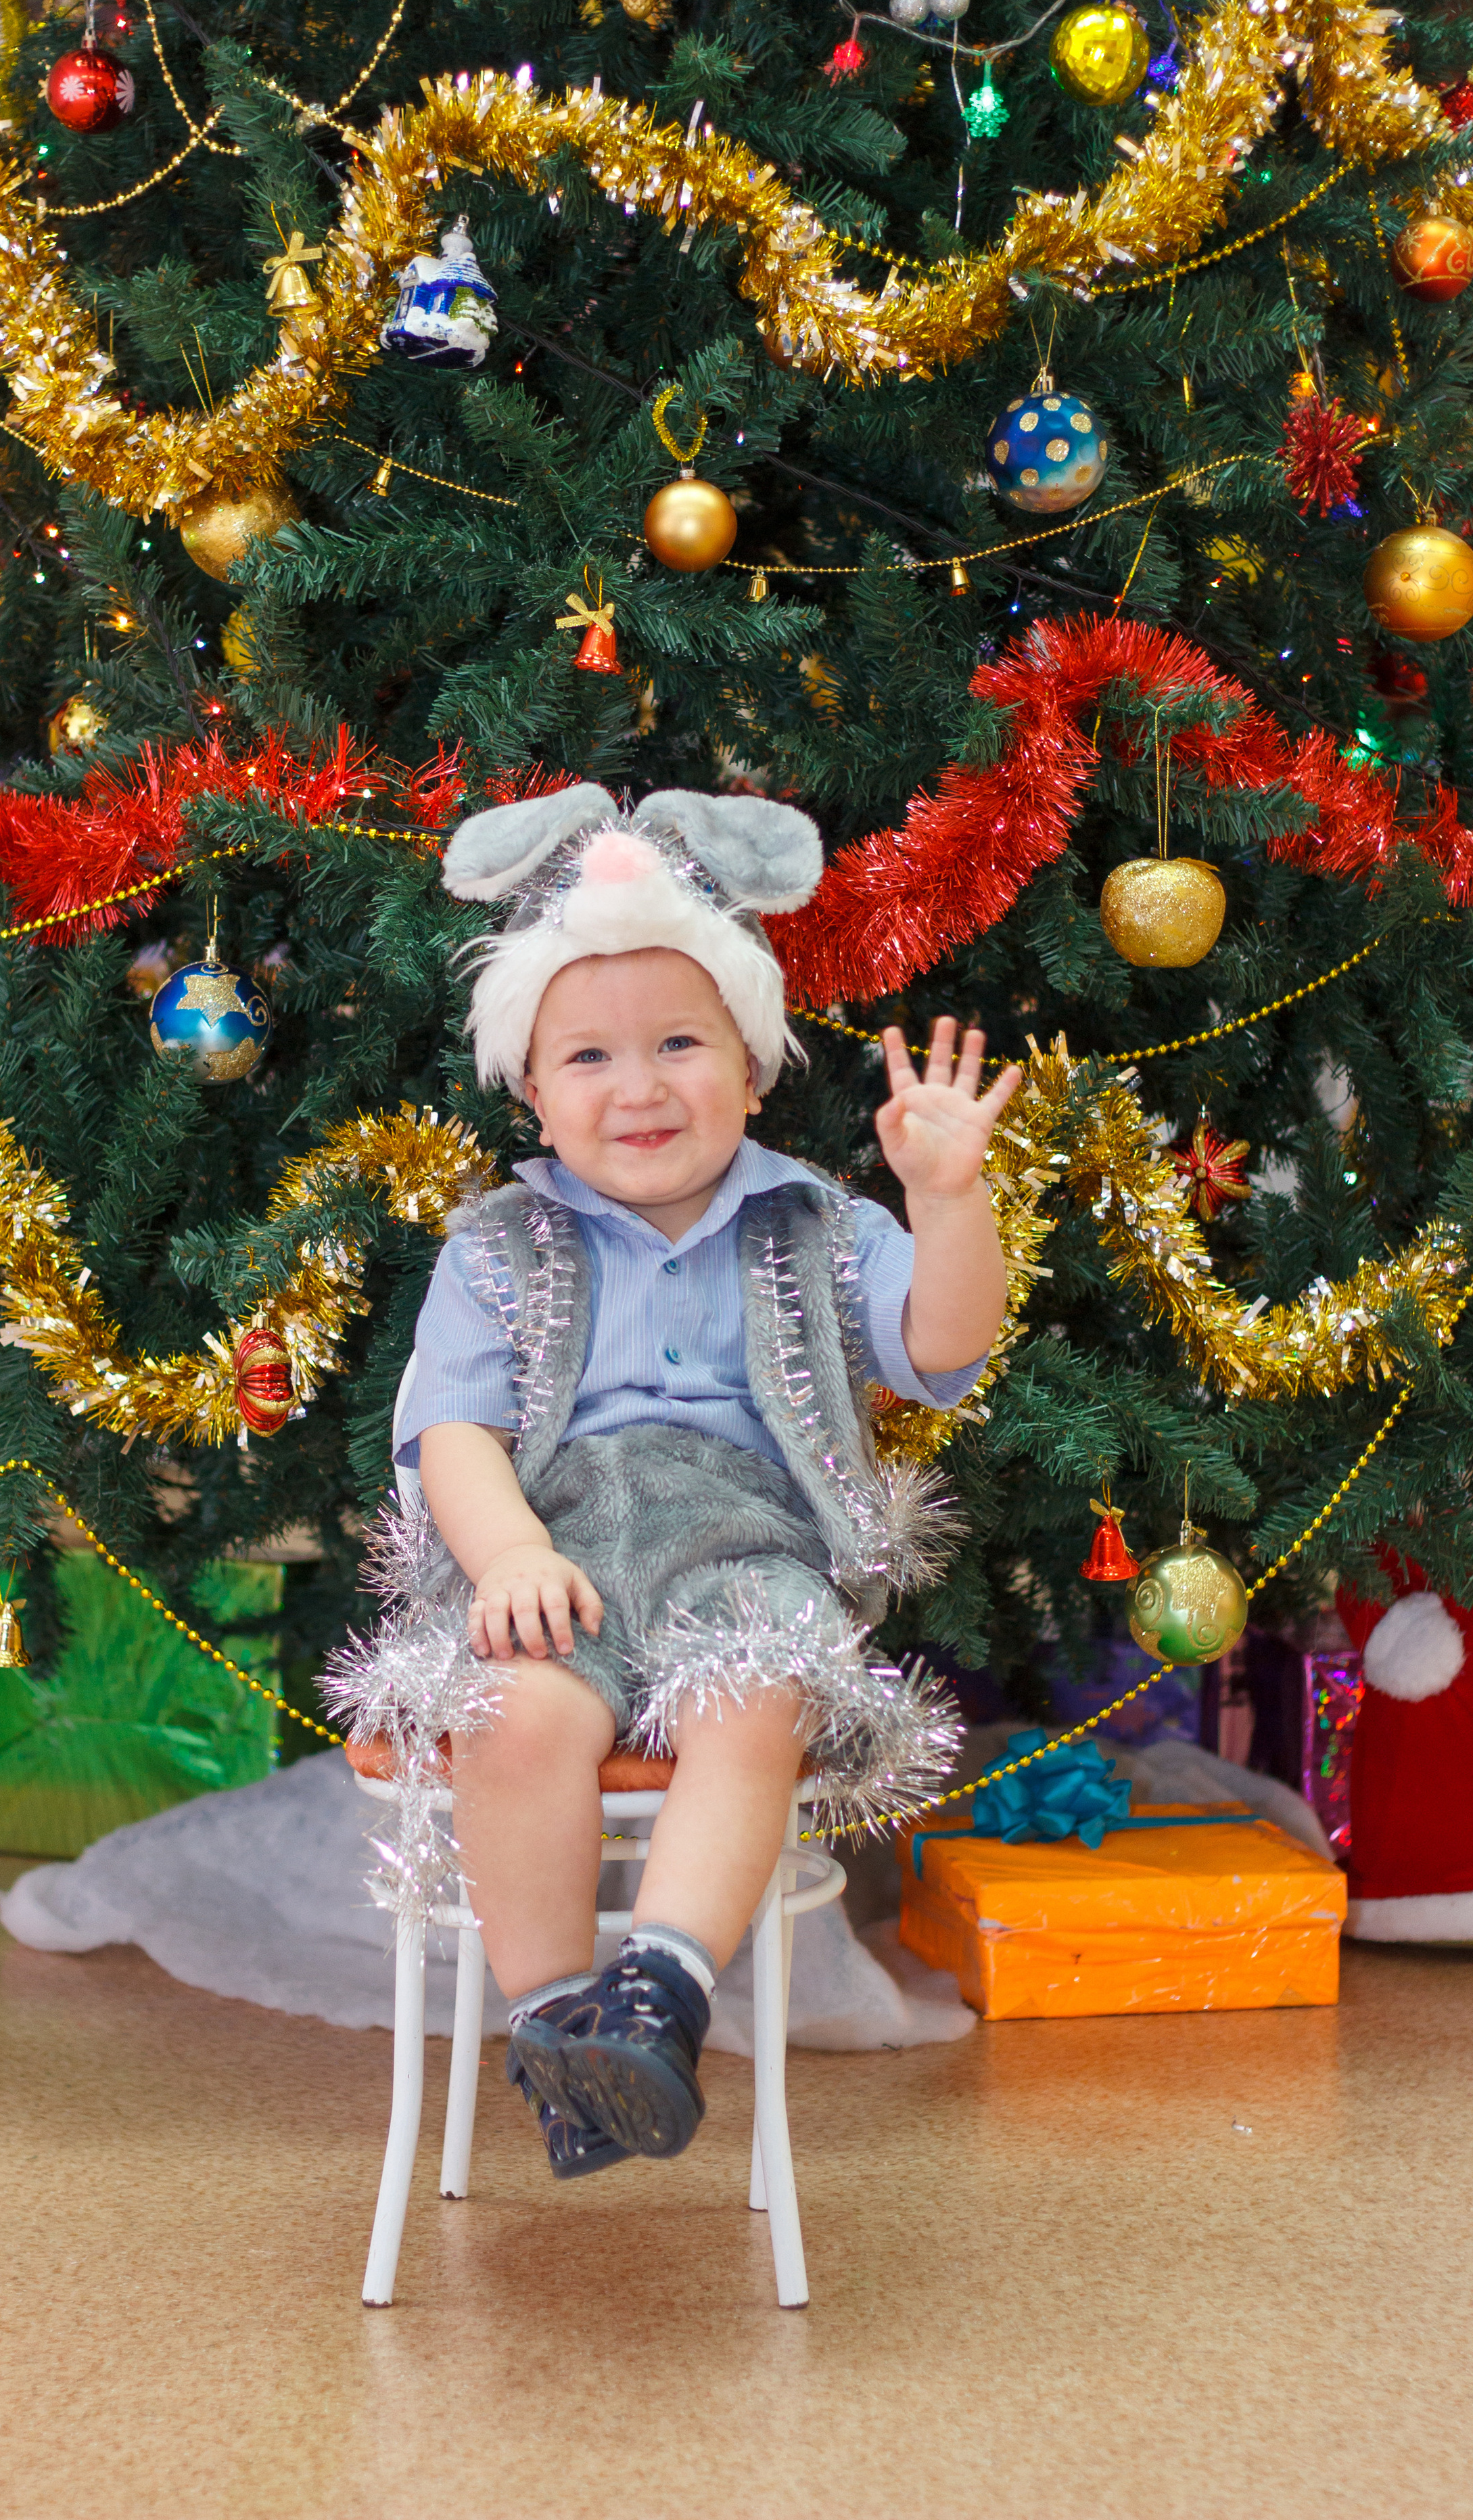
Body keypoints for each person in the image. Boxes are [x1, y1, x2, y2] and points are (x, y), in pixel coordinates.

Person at [327, 785, 1018, 2179]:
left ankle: (659, 1993)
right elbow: (452, 1430)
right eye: (586, 1056)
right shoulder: (494, 1245)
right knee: (513, 1713)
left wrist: (947, 1203)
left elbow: (940, 1350)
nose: (636, 1087)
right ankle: (556, 2030)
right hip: (552, 1540)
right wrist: (509, 1552)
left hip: (743, 1544)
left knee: (755, 1693)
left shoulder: (814, 1224)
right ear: (531, 1087)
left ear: (752, 1067)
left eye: (680, 1044)